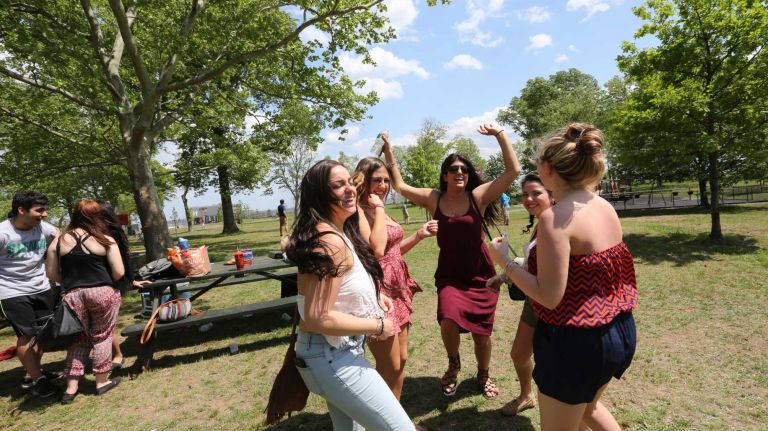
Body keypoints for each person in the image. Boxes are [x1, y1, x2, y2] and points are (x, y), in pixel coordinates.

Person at [487, 124, 637, 431]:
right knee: (589, 408)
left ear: (548, 168)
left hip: (576, 344)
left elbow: (549, 296)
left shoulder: (555, 218)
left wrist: (504, 261)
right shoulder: (604, 206)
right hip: (619, 331)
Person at [382, 124, 521, 400]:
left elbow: (512, 172)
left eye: (464, 170)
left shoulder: (477, 197)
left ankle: (483, 374)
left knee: (482, 334)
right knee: (447, 317)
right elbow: (399, 185)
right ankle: (454, 363)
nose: (460, 173)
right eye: (454, 169)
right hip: (450, 274)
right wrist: (389, 152)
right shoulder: (434, 199)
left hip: (481, 274)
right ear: (445, 175)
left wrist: (500, 135)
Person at [284, 159, 416, 430]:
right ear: (320, 194)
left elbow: (335, 290)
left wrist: (373, 297)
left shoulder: (337, 233)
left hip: (338, 352)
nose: (349, 190)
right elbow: (317, 317)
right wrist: (378, 325)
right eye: (337, 185)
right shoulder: (329, 242)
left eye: (348, 182)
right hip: (331, 358)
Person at [353, 157, 438, 400]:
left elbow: (393, 252)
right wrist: (379, 207)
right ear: (364, 181)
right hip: (378, 293)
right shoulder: (359, 212)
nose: (383, 186)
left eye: (386, 181)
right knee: (387, 365)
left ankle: (396, 421)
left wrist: (419, 235)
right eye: (376, 180)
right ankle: (380, 423)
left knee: (400, 361)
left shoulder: (379, 210)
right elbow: (378, 249)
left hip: (398, 289)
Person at [486, 173, 554, 416]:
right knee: (519, 353)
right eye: (525, 194)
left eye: (536, 193)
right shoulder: (541, 222)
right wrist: (503, 276)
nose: (529, 198)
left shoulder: (556, 223)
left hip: (553, 304)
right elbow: (533, 262)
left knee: (556, 368)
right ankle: (527, 395)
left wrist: (503, 261)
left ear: (551, 194)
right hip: (533, 299)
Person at [46, 199, 125, 404]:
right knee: (102, 336)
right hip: (102, 292)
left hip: (73, 294)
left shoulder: (58, 240)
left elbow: (52, 274)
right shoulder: (105, 239)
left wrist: (73, 283)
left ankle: (71, 389)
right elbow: (119, 272)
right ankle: (101, 382)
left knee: (79, 339)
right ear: (97, 216)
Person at [0, 191, 61, 398]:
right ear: (21, 210)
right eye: (39, 210)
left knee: (41, 334)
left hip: (42, 287)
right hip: (12, 291)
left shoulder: (44, 228)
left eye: (45, 209)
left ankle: (32, 373)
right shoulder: (3, 233)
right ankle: (38, 380)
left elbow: (61, 240)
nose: (44, 214)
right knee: (25, 335)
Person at [100, 202, 150, 370]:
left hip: (112, 281)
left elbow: (124, 258)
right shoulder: (86, 233)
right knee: (103, 324)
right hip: (94, 282)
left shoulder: (113, 232)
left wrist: (130, 280)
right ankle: (112, 355)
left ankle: (116, 355)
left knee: (108, 322)